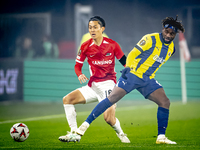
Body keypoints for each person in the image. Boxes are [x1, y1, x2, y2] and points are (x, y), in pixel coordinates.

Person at [76, 16, 185, 144]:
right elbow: (133, 53)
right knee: (111, 99)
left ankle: (161, 137)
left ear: (175, 35)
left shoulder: (172, 49)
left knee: (165, 102)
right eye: (166, 32)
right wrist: (128, 67)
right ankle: (83, 127)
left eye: (171, 34)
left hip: (147, 79)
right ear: (163, 29)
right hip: (133, 74)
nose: (168, 35)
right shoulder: (150, 38)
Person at [59, 16, 130, 143]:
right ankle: (74, 133)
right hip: (93, 86)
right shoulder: (85, 46)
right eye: (90, 27)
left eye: (95, 27)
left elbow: (125, 62)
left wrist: (129, 71)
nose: (92, 30)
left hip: (109, 86)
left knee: (108, 119)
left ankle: (121, 133)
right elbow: (77, 65)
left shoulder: (112, 45)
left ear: (102, 29)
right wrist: (79, 74)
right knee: (67, 99)